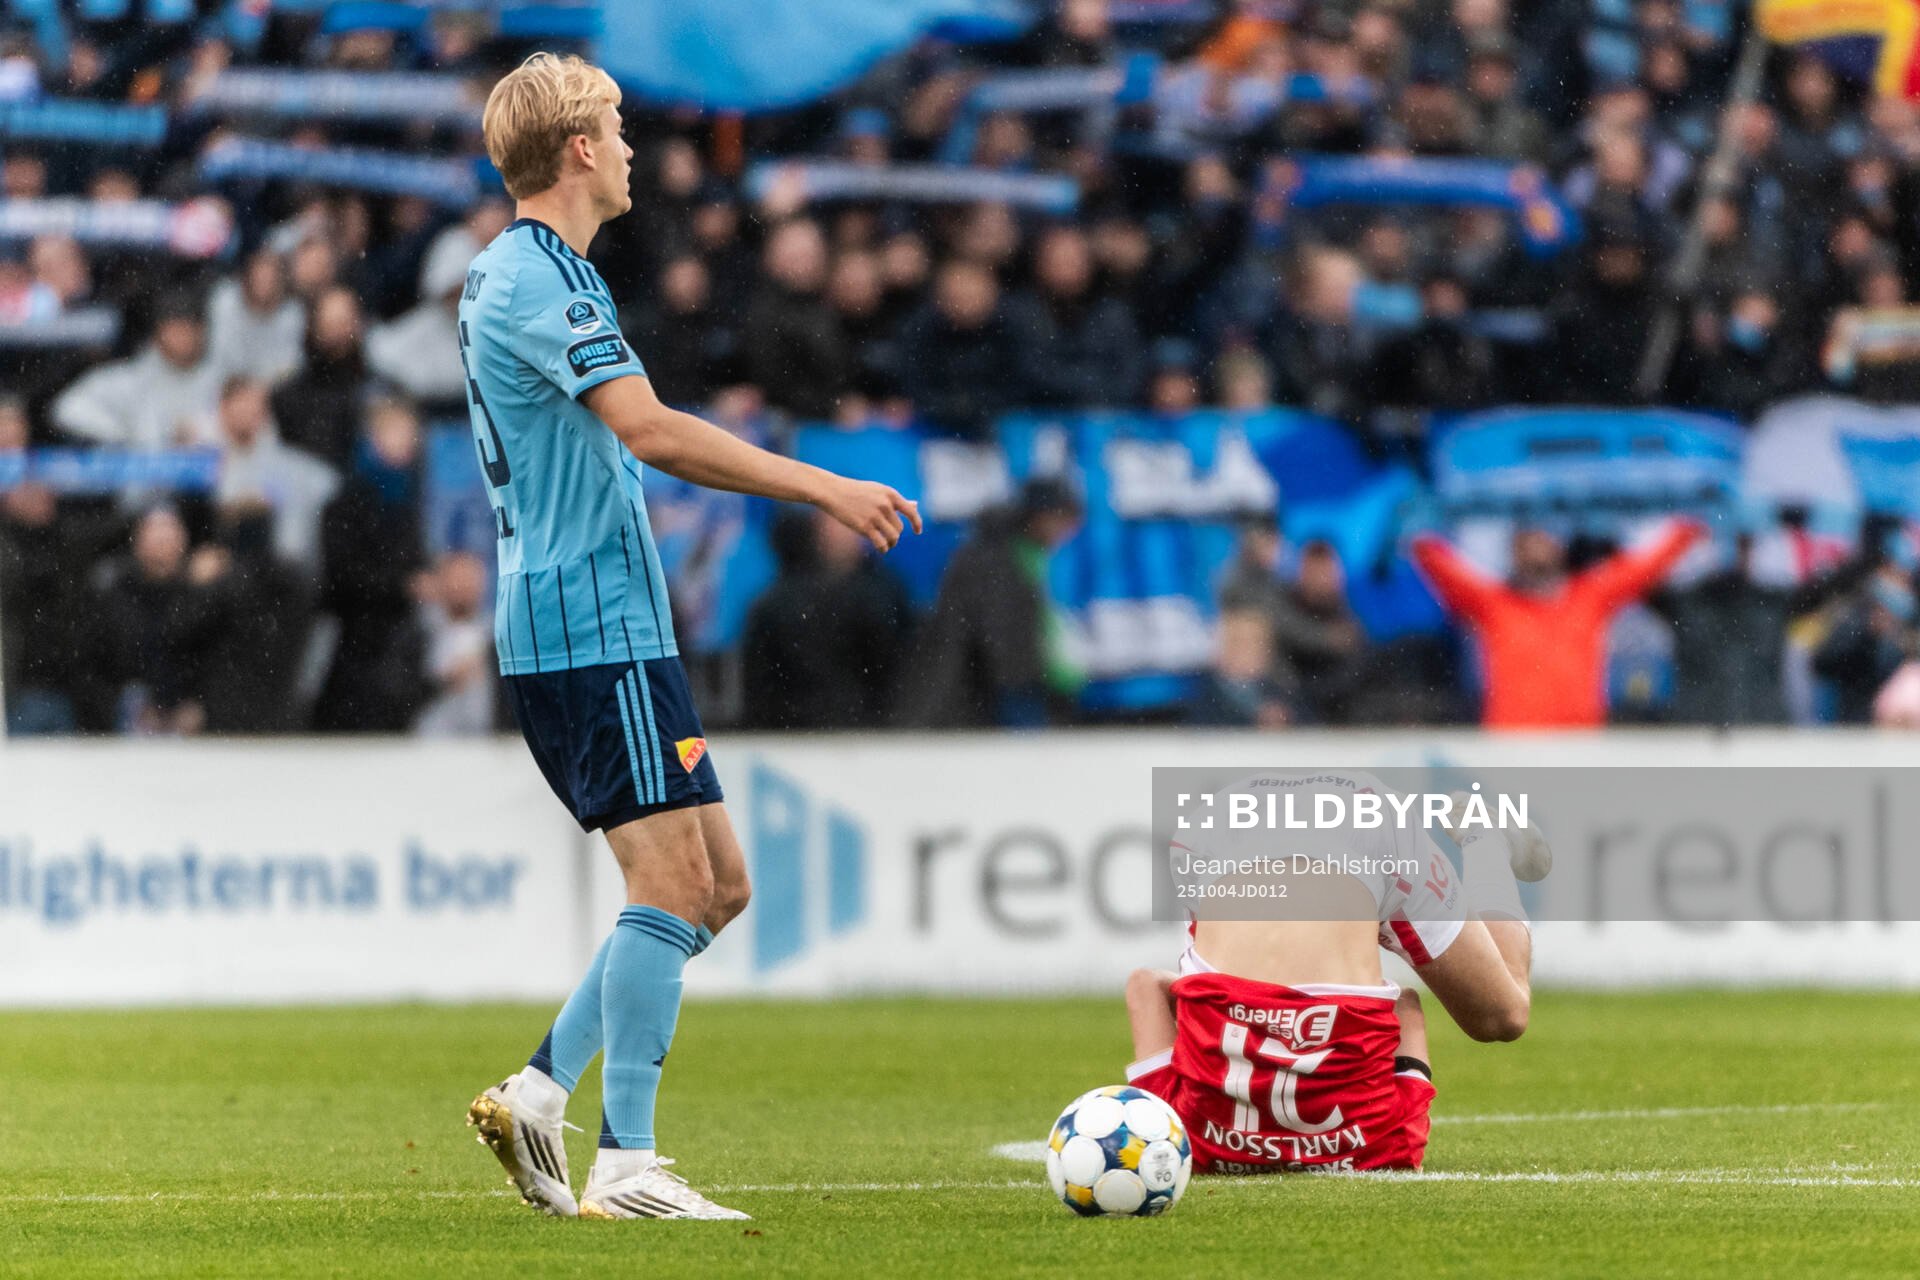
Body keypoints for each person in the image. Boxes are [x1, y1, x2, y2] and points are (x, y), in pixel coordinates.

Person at [458, 53, 919, 1222]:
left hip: (615, 624)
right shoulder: (534, 279)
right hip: (585, 628)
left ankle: (538, 1087)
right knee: (668, 878)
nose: (627, 151)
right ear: (574, 151)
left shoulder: (538, 270)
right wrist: (822, 485)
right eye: (612, 130)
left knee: (718, 886)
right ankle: (629, 1163)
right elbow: (652, 431)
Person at [1125, 769, 1536, 1174]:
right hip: (1216, 827)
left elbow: (1403, 1007)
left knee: (1504, 1016)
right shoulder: (1187, 1143)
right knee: (1500, 1016)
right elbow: (1145, 985)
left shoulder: (1381, 1147)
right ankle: (1485, 838)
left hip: (1359, 829)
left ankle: (1484, 839)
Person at [1412, 520, 1705, 728]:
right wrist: (1419, 533)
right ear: (1513, 553)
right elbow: (1443, 569)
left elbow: (1642, 567)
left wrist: (1687, 530)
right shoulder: (1495, 605)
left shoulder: (1588, 597)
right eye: (1524, 543)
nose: (1534, 548)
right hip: (1513, 749)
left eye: (1542, 538)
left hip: (1576, 748)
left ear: (1560, 548)